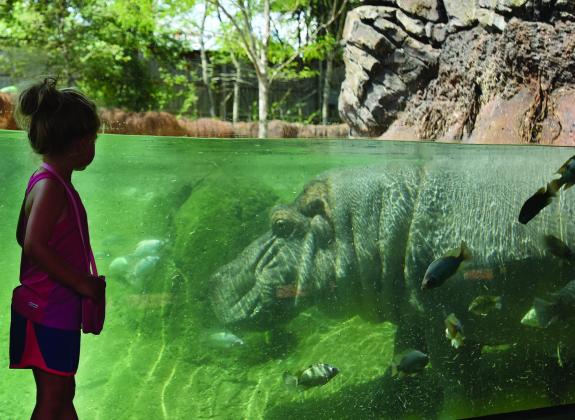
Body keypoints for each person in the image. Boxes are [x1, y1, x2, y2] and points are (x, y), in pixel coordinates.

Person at [9, 78, 106, 419]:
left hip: (52, 309)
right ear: (80, 144)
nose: (94, 146)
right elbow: (34, 243)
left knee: (63, 392)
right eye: (94, 139)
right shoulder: (51, 187)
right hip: (48, 309)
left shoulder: (47, 180)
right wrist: (80, 282)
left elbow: (24, 236)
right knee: (53, 397)